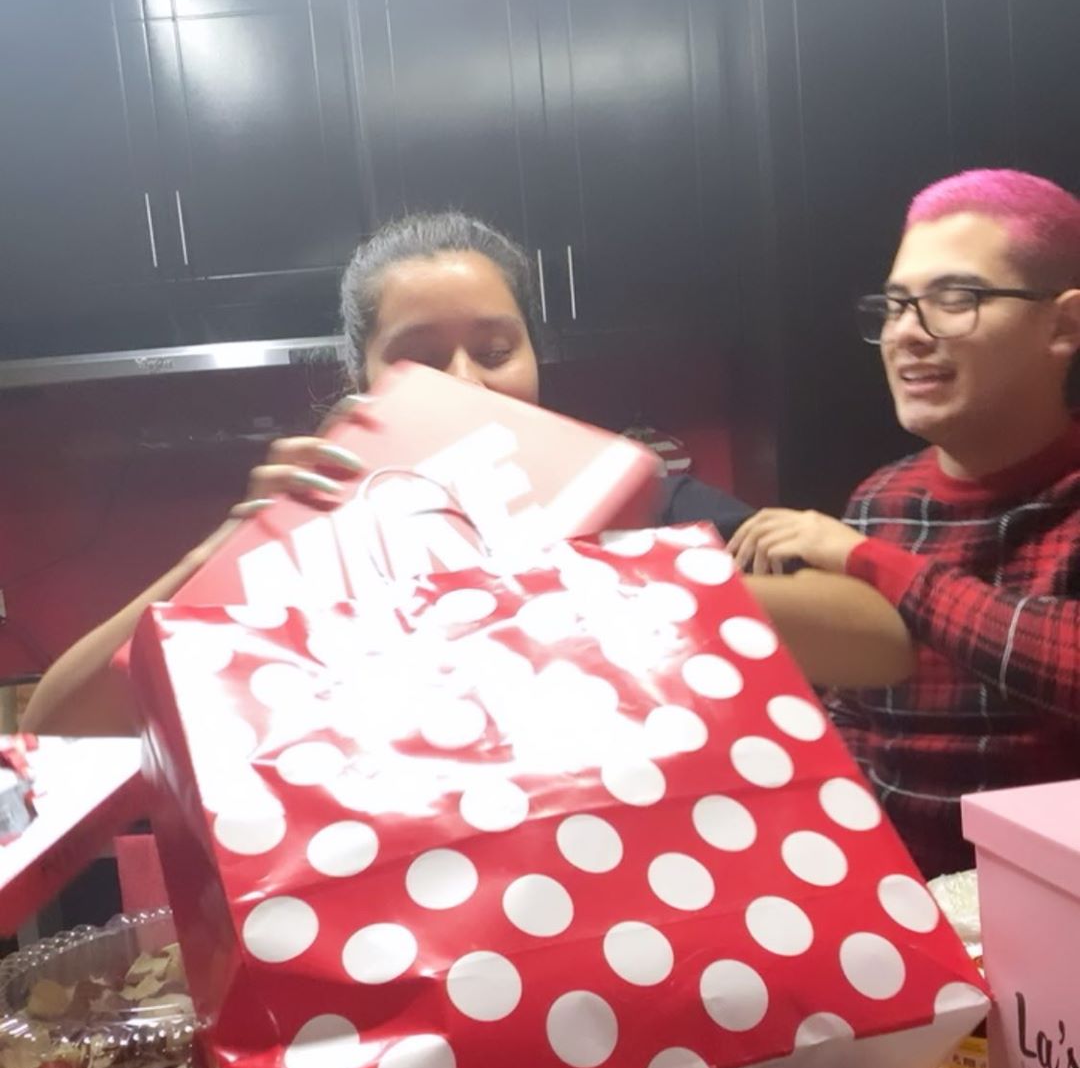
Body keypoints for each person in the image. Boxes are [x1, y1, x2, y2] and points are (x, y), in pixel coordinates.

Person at [24, 212, 914, 737]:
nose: (465, 383)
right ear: (360, 375)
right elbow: (63, 726)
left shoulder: (628, 500)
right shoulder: (318, 535)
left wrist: (596, 575)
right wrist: (231, 544)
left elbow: (878, 642)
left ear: (536, 356)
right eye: (417, 356)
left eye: (495, 349)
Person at [729, 168, 1080, 877]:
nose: (908, 335)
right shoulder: (882, 498)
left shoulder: (861, 540)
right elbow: (858, 715)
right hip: (894, 890)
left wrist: (871, 562)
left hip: (1050, 897)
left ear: (1063, 325)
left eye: (955, 299)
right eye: (895, 306)